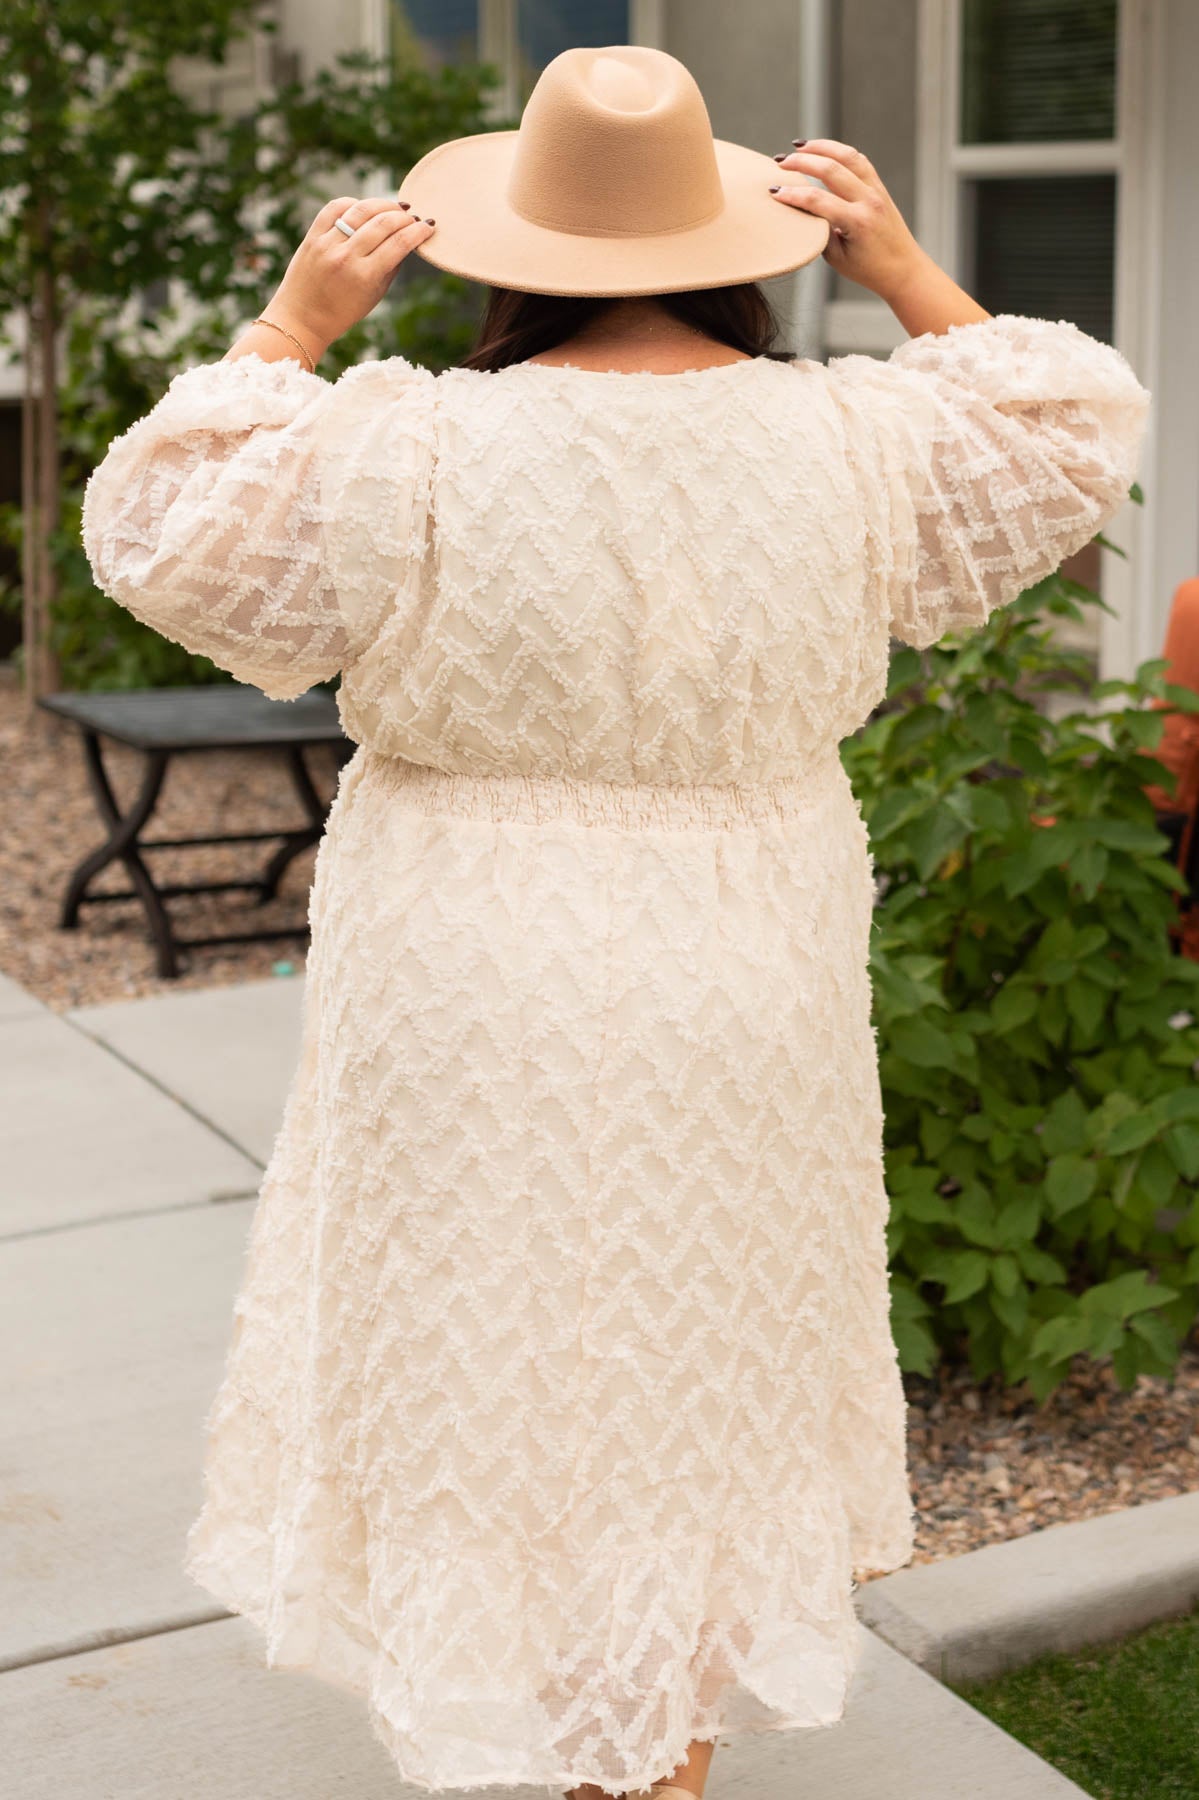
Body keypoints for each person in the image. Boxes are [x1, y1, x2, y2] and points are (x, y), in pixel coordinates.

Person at [80, 43, 1151, 1800]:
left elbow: (160, 528)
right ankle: (664, 1750)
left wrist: (288, 324)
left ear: (516, 256)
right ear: (735, 243)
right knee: (696, 1339)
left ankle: (513, 1716)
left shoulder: (409, 441)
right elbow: (1064, 431)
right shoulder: (847, 435)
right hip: (739, 944)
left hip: (470, 946)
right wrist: (895, 264)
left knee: (485, 1340)